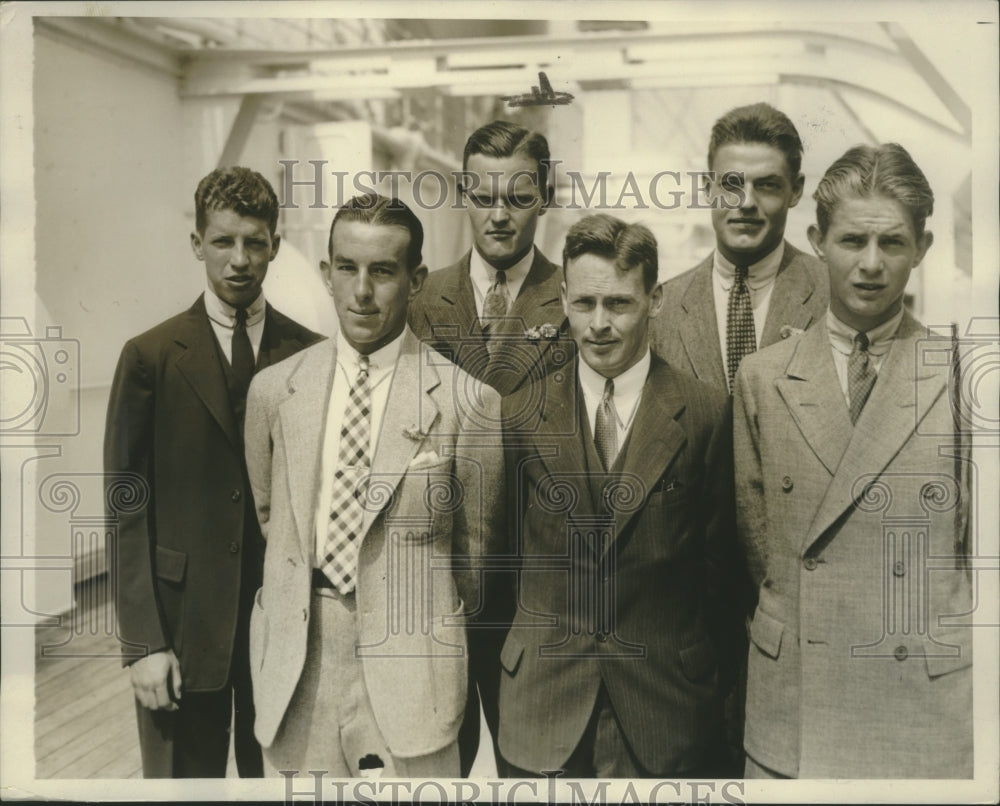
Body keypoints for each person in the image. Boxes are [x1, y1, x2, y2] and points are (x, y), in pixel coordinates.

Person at [244, 194, 505, 777]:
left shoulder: (468, 402)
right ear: (326, 274)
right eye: (347, 268)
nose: (362, 291)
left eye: (382, 271)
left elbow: (475, 554)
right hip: (299, 666)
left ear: (415, 281)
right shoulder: (274, 392)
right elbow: (273, 521)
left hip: (413, 669)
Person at [734, 143, 973, 778]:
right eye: (851, 241)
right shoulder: (762, 378)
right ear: (817, 240)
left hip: (920, 707)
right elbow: (761, 546)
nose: (871, 265)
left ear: (922, 247)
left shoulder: (961, 374)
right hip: (796, 705)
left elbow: (972, 549)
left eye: (892, 244)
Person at [497, 214, 748, 777]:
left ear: (655, 300)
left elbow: (723, 584)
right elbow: (498, 570)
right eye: (584, 304)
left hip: (667, 722)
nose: (599, 325)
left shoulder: (705, 415)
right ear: (562, 299)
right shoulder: (520, 414)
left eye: (619, 304)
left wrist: (692, 681)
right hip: (543, 718)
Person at [104, 166, 321, 778]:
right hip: (179, 631)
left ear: (275, 246)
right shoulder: (149, 357)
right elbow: (126, 508)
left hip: (279, 634)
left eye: (255, 242)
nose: (240, 259)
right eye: (224, 241)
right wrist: (144, 644)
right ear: (197, 244)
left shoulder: (310, 356)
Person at [407, 118, 568, 773]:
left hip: (539, 596)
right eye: (483, 196)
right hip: (435, 588)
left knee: (531, 770)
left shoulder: (580, 301)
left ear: (547, 194)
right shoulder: (420, 301)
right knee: (435, 769)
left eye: (519, 197)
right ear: (463, 195)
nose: (499, 215)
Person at [651, 102, 829, 394]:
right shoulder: (662, 310)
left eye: (767, 185)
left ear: (795, 190)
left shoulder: (834, 296)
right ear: (708, 189)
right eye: (731, 185)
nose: (746, 202)